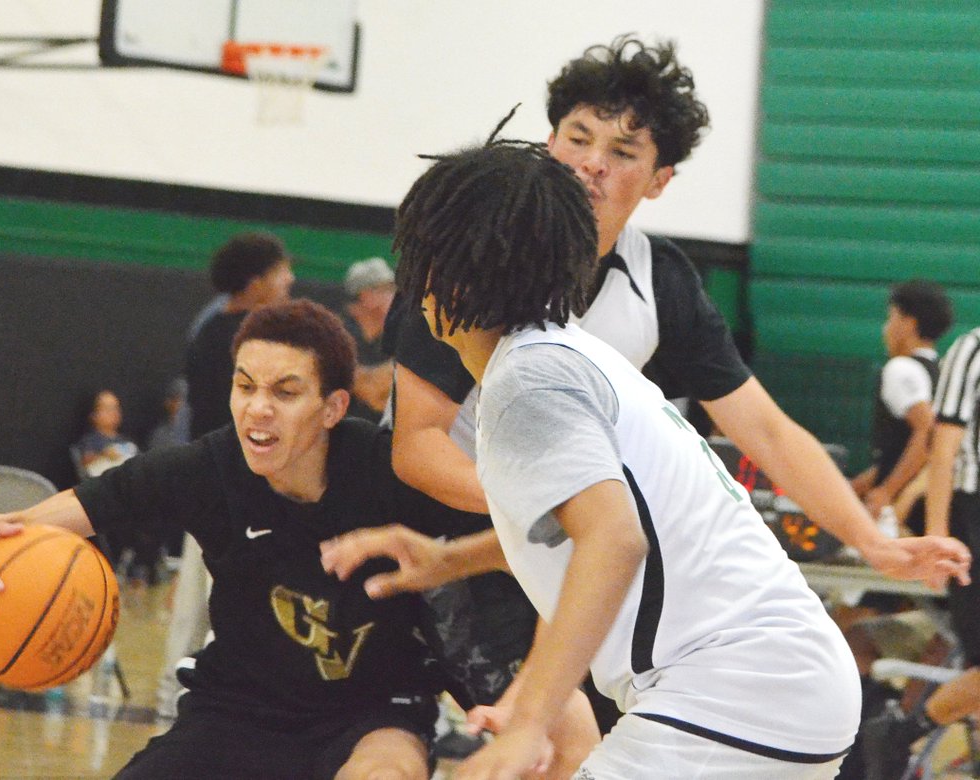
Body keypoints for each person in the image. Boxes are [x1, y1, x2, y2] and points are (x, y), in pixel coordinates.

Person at [323, 37, 970, 655]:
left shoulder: (661, 284)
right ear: (549, 142)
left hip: (565, 531)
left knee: (572, 730)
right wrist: (564, 505)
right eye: (578, 137)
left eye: (624, 150)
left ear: (660, 178)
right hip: (441, 523)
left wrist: (869, 541)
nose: (593, 162)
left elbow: (767, 431)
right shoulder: (471, 253)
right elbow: (417, 448)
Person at [394, 139, 861, 778]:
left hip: (735, 689)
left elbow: (614, 540)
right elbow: (598, 530)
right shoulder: (566, 355)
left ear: (451, 270)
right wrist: (451, 560)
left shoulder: (527, 383)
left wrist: (528, 723)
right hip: (780, 681)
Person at [0, 300, 491, 780]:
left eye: (286, 392)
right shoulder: (206, 468)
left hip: (375, 712)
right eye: (245, 386)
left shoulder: (389, 472)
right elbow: (41, 522)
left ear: (333, 407)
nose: (257, 408)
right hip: (238, 708)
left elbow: (506, 551)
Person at [862, 322, 980, 778]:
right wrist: (938, 535)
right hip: (973, 510)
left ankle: (902, 732)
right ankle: (903, 732)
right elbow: (943, 448)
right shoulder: (971, 350)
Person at [851, 280, 954, 526]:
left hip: (904, 512)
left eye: (891, 318)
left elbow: (928, 431)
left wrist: (887, 490)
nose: (886, 329)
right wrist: (860, 485)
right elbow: (901, 451)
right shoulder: (942, 372)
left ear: (908, 323)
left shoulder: (901, 368)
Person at [186, 232, 295, 438]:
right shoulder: (251, 336)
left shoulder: (209, 327)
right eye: (281, 272)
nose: (290, 278)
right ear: (255, 284)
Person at [341, 257, 397, 422]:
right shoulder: (339, 335)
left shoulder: (393, 337)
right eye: (389, 290)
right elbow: (373, 395)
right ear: (367, 296)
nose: (396, 298)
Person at [74, 389, 139, 478]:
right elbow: (84, 464)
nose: (113, 413)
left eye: (116, 408)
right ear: (94, 415)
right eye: (107, 409)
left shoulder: (127, 440)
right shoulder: (89, 441)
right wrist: (104, 455)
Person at [147, 376, 192, 451]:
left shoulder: (201, 432)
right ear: (167, 403)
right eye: (177, 400)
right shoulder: (159, 436)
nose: (183, 406)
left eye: (185, 400)